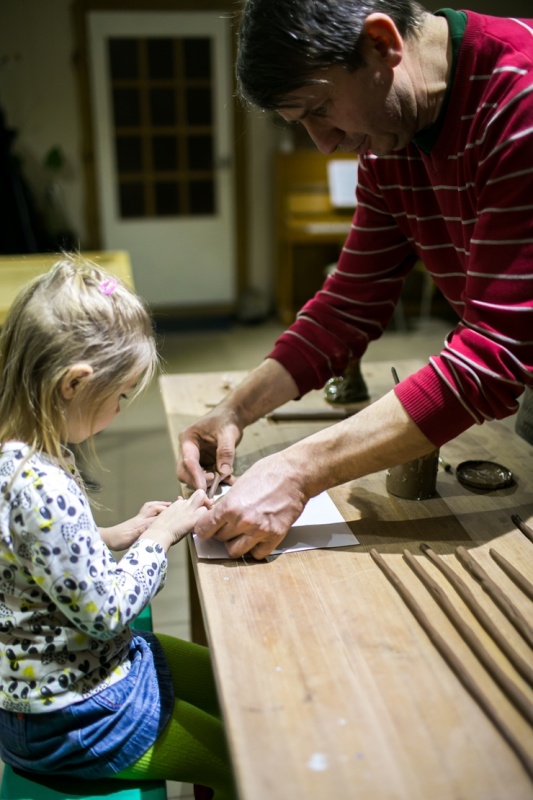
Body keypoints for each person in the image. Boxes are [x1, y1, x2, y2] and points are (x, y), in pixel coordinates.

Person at [177, 0, 533, 560]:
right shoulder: (388, 140)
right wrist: (235, 410)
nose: (324, 143)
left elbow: (493, 357)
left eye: (320, 109)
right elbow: (348, 304)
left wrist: (298, 471)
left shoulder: (520, 100)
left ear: (381, 44)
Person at [0, 257, 236, 800]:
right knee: (241, 754)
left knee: (231, 684)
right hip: (74, 721)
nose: (121, 409)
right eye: (120, 395)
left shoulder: (17, 456)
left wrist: (120, 534)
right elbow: (106, 614)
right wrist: (159, 539)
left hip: (52, 696)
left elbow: (34, 559)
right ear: (74, 383)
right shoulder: (46, 485)